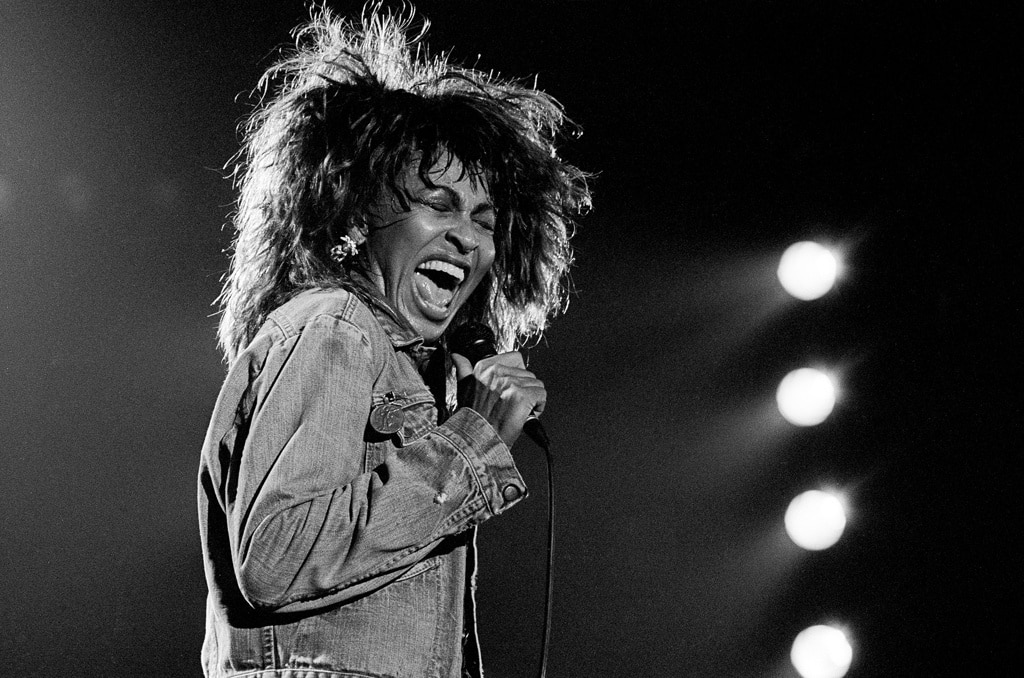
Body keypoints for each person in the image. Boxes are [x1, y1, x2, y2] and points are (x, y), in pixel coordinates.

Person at [197, 5, 590, 678]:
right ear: (353, 213)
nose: (467, 237)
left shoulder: (405, 366)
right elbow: (275, 559)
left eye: (484, 219)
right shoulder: (333, 328)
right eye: (437, 205)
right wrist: (468, 445)